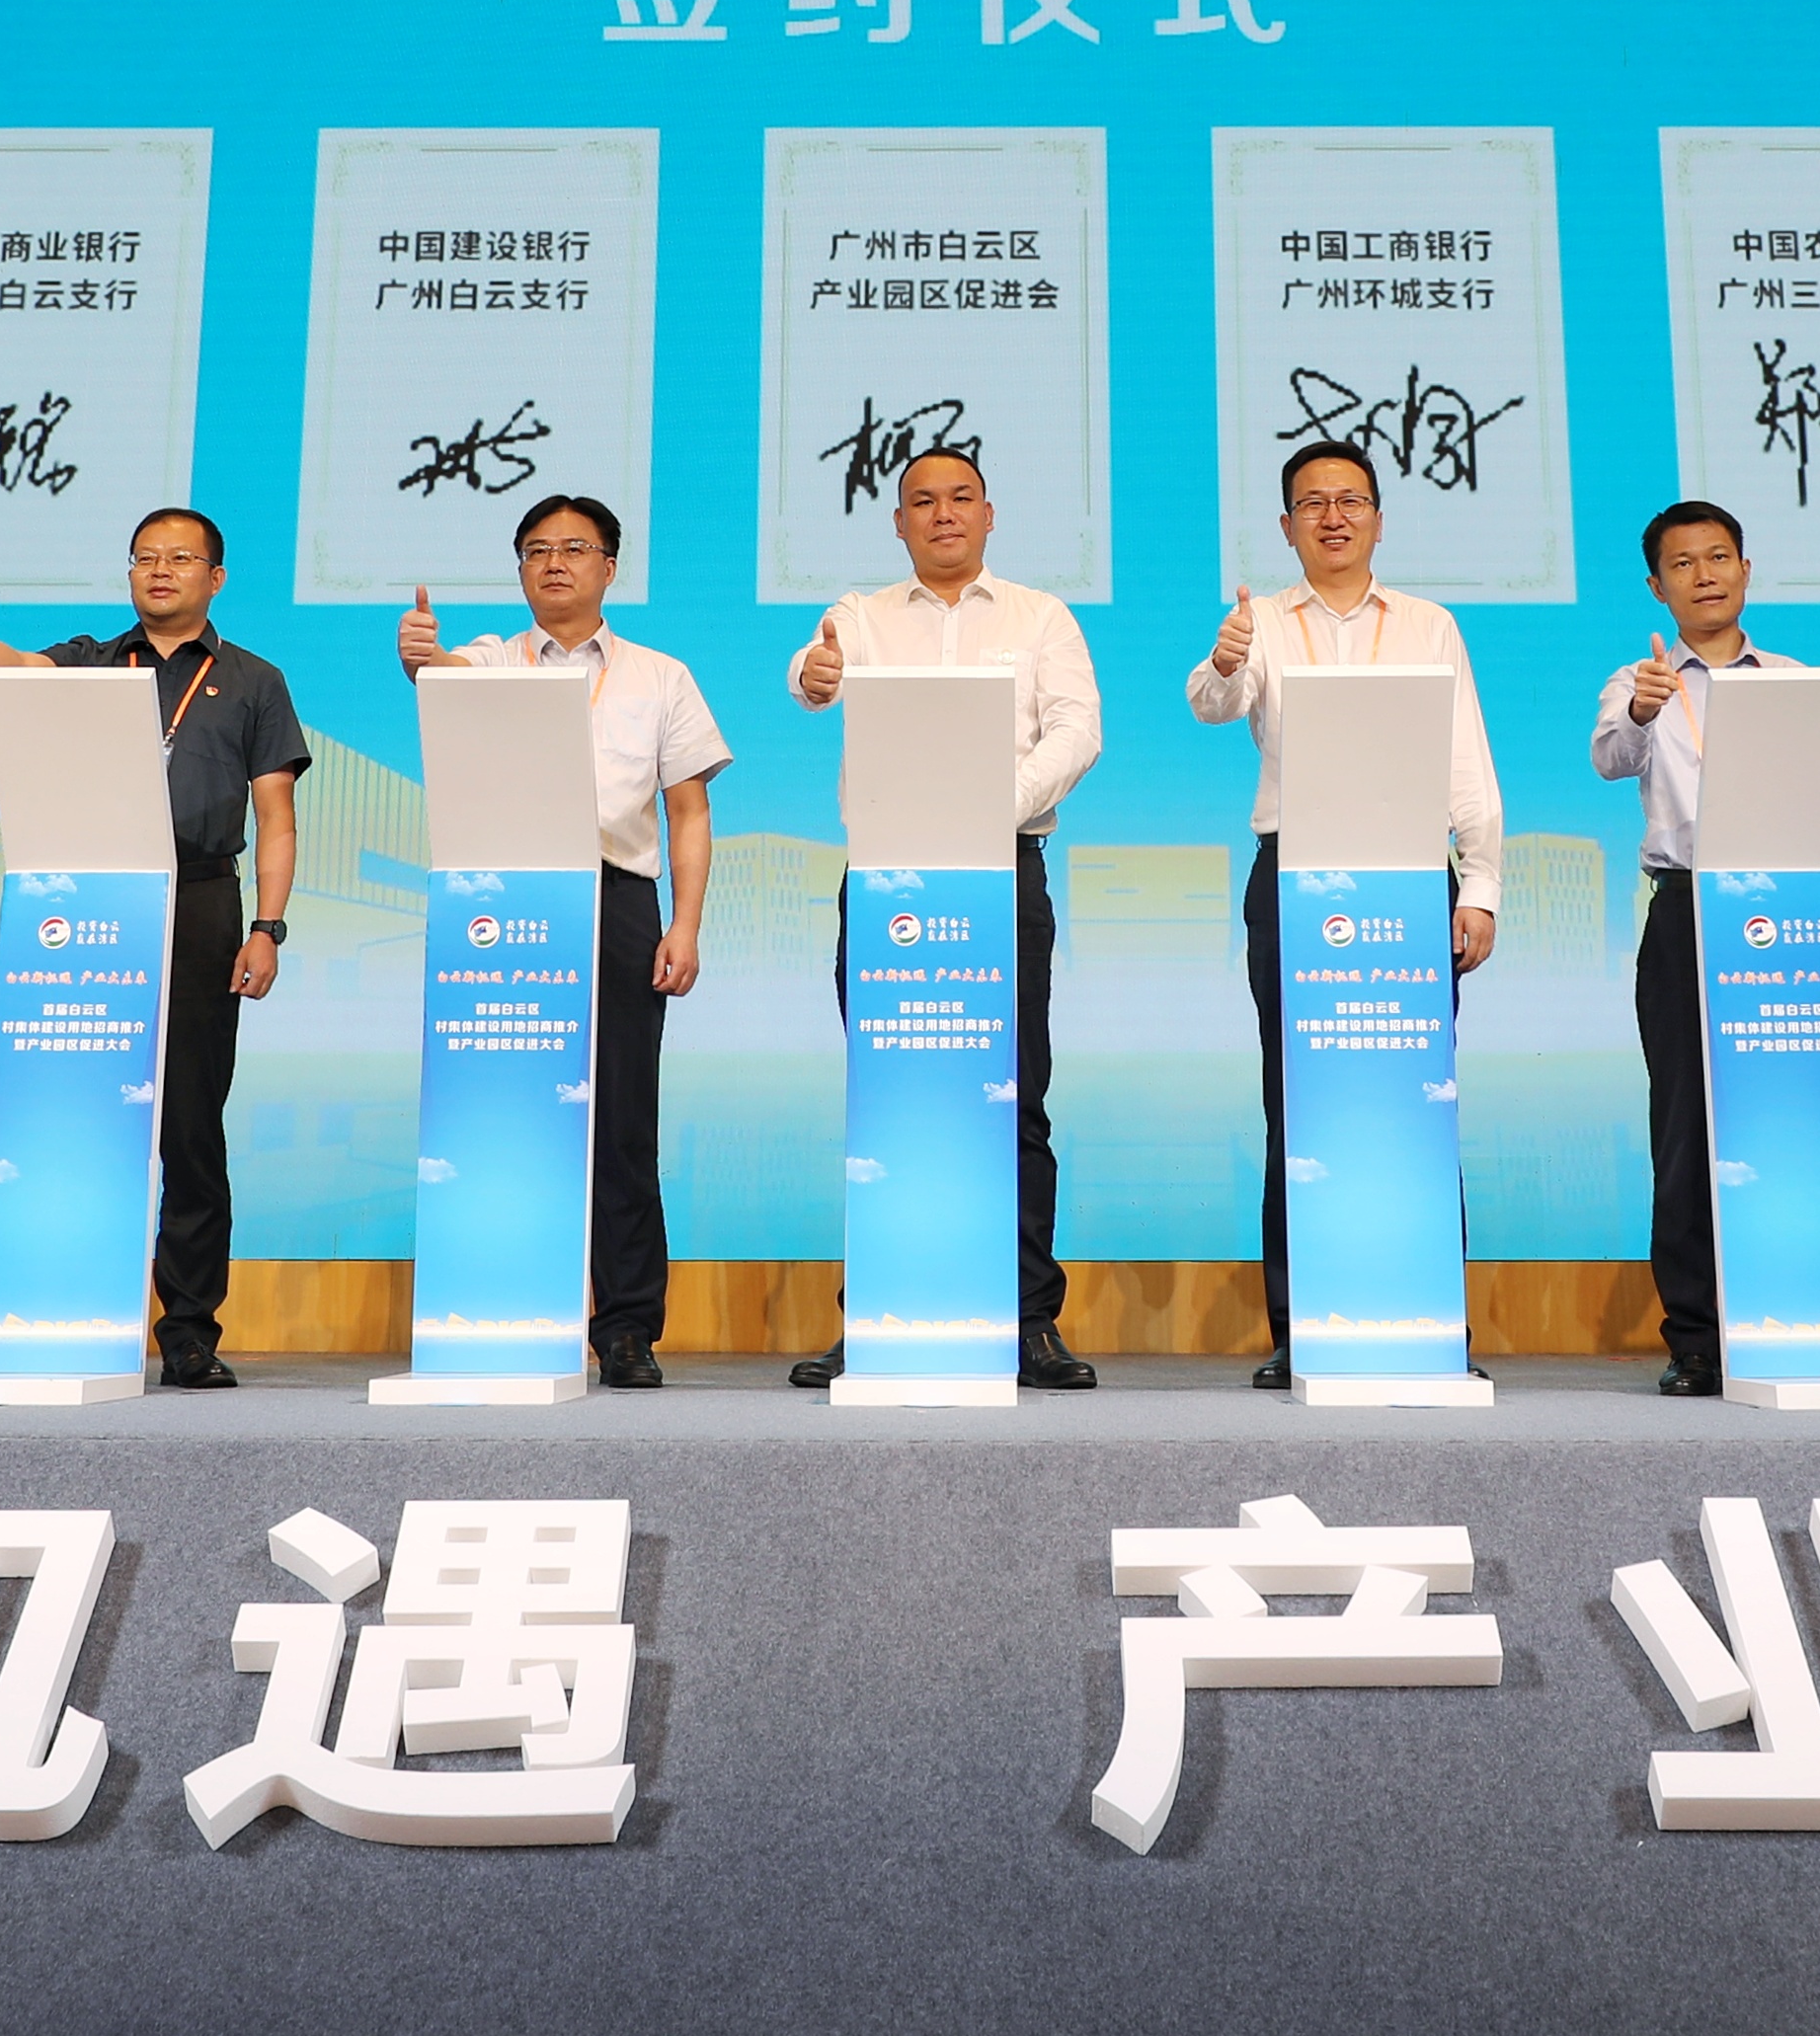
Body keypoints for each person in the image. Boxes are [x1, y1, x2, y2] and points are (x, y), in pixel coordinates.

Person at [0, 506, 307, 1390]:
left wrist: (267, 926)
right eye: (144, 557)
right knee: (76, 1106)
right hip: (93, 904)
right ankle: (64, 1305)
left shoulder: (254, 680)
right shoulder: (91, 662)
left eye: (180, 558)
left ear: (215, 577)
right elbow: (9, 667)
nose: (159, 570)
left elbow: (277, 816)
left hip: (202, 901)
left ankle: (188, 1329)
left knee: (190, 1123)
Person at [778, 442, 1104, 1393]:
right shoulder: (861, 614)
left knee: (1015, 1099)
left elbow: (1078, 730)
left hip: (1003, 869)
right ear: (899, 522)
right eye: (922, 501)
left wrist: (989, 804)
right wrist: (814, 673)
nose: (943, 513)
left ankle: (1028, 1320)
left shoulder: (1039, 616)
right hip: (890, 880)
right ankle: (878, 1312)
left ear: (989, 514)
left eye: (961, 497)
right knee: (893, 1099)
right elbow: (812, 674)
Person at [1184, 439, 1503, 1391]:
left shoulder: (1428, 625)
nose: (1332, 516)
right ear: (1286, 526)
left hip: (1408, 872)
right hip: (1294, 872)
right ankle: (1301, 1328)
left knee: (1416, 1098)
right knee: (1298, 1099)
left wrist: (1478, 884)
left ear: (1377, 518)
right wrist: (1224, 659)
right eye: (1312, 503)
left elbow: (1465, 760)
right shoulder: (1260, 622)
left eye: (1350, 500)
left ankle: (1431, 1318)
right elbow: (1213, 705)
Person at [400, 493, 725, 1388]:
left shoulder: (660, 675)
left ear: (609, 568)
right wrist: (420, 658)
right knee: (498, 1109)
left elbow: (689, 812)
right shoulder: (488, 660)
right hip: (500, 908)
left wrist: (684, 922)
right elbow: (439, 680)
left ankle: (626, 1328)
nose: (554, 563)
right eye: (536, 549)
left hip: (617, 900)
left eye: (575, 548)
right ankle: (503, 1306)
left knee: (621, 1121)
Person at [1586, 496, 1781, 1402]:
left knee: (1786, 1114)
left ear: (1745, 569)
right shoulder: (1642, 681)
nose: (1704, 576)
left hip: (1785, 915)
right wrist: (1639, 706)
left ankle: (1788, 1312)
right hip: (1687, 910)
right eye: (1682, 564)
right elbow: (1608, 757)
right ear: (1656, 587)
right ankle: (1696, 1337)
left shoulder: (1790, 681)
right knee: (1686, 1128)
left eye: (1718, 557)